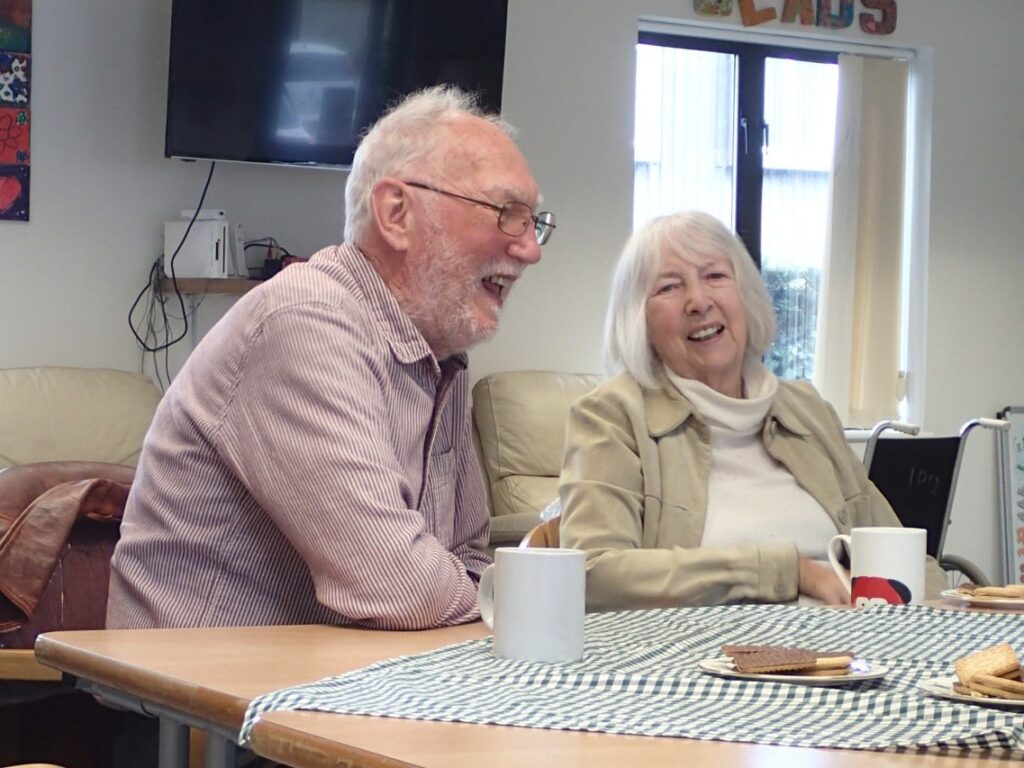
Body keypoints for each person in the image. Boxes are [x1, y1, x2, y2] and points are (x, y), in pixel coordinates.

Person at [107, 85, 556, 630]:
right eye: (507, 213)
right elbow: (399, 586)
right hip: (194, 697)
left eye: (535, 222)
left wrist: (472, 593)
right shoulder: (306, 319)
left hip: (337, 678)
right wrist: (484, 599)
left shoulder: (441, 353)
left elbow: (469, 559)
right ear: (396, 213)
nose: (530, 249)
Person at [558, 211, 944, 610]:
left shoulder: (807, 409)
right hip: (700, 659)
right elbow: (594, 574)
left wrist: (941, 602)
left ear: (746, 295)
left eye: (715, 276)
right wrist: (785, 571)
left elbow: (904, 557)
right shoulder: (611, 416)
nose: (698, 301)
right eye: (670, 287)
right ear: (638, 320)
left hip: (853, 651)